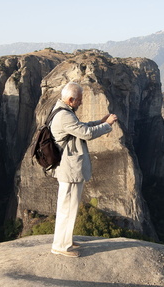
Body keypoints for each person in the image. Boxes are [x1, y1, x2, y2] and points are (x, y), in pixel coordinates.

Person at [49, 82, 118, 257]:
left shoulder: (64, 111)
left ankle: (66, 240)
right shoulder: (64, 116)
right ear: (71, 99)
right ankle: (61, 246)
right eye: (79, 100)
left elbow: (81, 126)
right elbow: (86, 133)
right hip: (69, 169)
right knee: (67, 207)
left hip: (70, 168)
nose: (81, 103)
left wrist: (100, 121)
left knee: (70, 206)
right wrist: (107, 125)